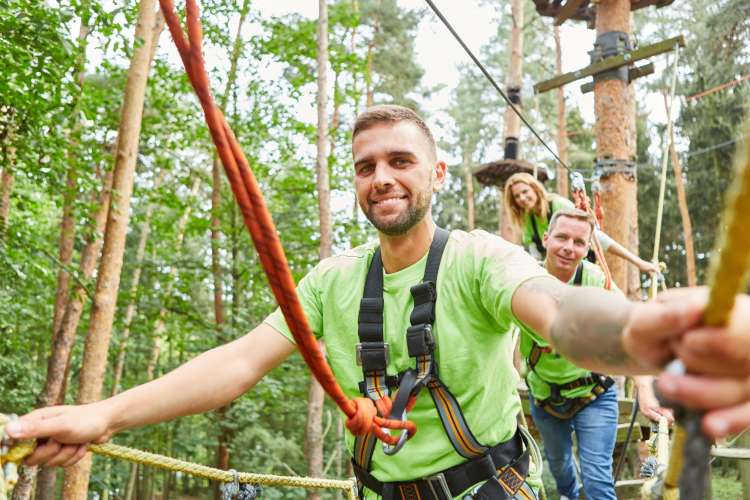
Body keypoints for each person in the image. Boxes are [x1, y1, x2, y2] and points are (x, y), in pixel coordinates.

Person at [5, 105, 750, 500]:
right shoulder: (332, 281)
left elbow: (563, 318)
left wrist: (652, 332)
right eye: (366, 167)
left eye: (400, 161)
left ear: (437, 171)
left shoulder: (479, 260)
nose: (382, 178)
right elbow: (236, 364)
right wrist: (101, 412)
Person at [520, 208, 673, 500]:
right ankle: (568, 495)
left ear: (589, 247)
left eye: (579, 242)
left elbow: (626, 328)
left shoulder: (596, 280)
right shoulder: (525, 280)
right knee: (561, 465)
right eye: (562, 237)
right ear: (546, 238)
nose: (568, 247)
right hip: (544, 397)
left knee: (597, 478)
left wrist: (643, 385)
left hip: (594, 394)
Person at [504, 172, 658, 274]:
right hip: (558, 271)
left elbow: (596, 237)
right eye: (517, 196)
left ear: (535, 189)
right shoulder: (527, 220)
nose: (522, 199)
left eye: (525, 192)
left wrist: (638, 263)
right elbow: (535, 254)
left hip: (582, 265)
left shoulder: (558, 205)